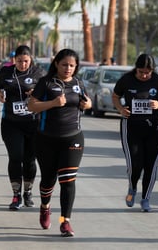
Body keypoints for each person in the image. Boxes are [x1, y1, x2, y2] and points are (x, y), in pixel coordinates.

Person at [27, 49, 92, 237]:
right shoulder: (45, 83)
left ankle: (65, 222)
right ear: (56, 64)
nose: (68, 68)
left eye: (72, 65)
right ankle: (45, 207)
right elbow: (31, 106)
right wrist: (53, 103)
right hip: (46, 138)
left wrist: (87, 105)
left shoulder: (79, 83)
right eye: (65, 65)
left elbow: (87, 103)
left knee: (68, 181)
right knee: (48, 179)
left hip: (73, 137)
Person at [112, 54, 158, 212]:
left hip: (154, 128)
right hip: (131, 126)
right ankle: (132, 187)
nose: (144, 75)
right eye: (141, 72)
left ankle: (146, 198)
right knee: (135, 165)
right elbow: (116, 96)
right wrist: (120, 109)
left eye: (147, 72)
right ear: (135, 69)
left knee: (151, 165)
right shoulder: (126, 80)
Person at [0, 45, 46, 211]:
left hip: (33, 123)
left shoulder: (39, 73)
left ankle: (28, 192)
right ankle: (16, 195)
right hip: (11, 122)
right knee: (16, 157)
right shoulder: (6, 72)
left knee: (29, 160)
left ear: (31, 60)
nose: (23, 64)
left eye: (26, 61)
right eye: (20, 61)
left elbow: (48, 91)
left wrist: (36, 91)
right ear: (14, 60)